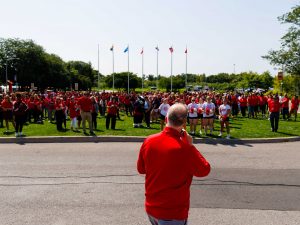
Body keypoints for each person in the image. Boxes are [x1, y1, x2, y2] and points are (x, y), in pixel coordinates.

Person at [137, 103, 211, 225]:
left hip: (151, 207)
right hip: (172, 212)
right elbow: (204, 170)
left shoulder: (149, 140)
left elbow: (141, 169)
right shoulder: (185, 148)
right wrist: (190, 146)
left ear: (166, 118)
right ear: (184, 123)